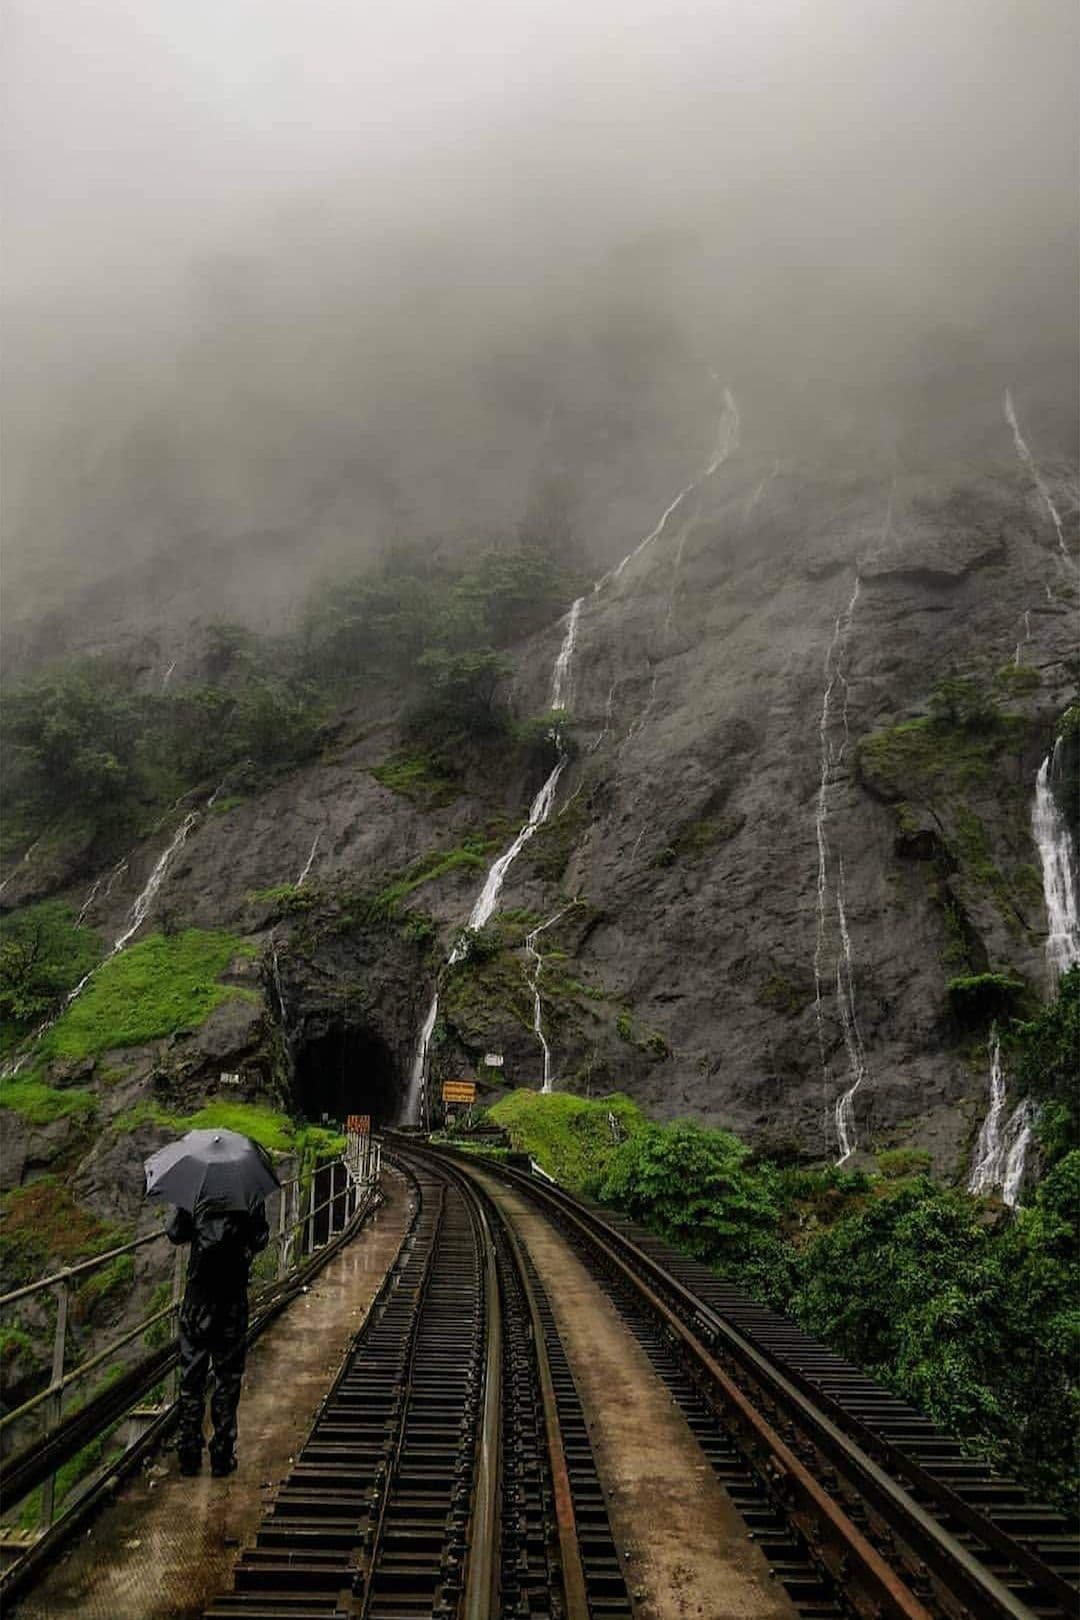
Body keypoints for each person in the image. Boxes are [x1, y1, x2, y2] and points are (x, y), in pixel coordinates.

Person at [166, 1193, 270, 1476]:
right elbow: (260, 1238)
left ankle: (188, 1452)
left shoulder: (195, 1188)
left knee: (191, 1377)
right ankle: (222, 1454)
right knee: (228, 1377)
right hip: (232, 1296)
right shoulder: (247, 1189)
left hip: (198, 1296)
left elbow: (175, 1233)